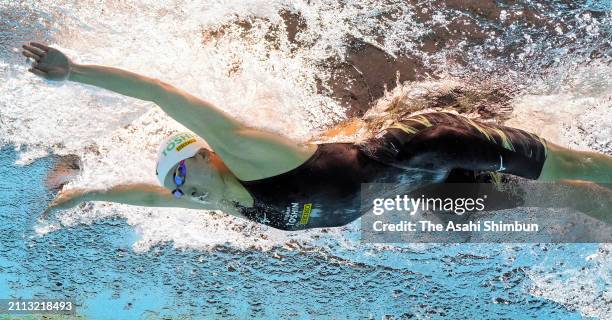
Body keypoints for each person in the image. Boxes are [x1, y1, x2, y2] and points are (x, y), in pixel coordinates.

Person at [23, 42, 612, 230]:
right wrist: (86, 196)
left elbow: (160, 93)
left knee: (559, 166)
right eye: (173, 190)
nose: (177, 192)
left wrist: (75, 74)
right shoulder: (226, 201)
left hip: (427, 145)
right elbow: (143, 195)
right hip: (423, 190)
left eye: (179, 174)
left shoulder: (244, 151)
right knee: (550, 200)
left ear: (201, 154)